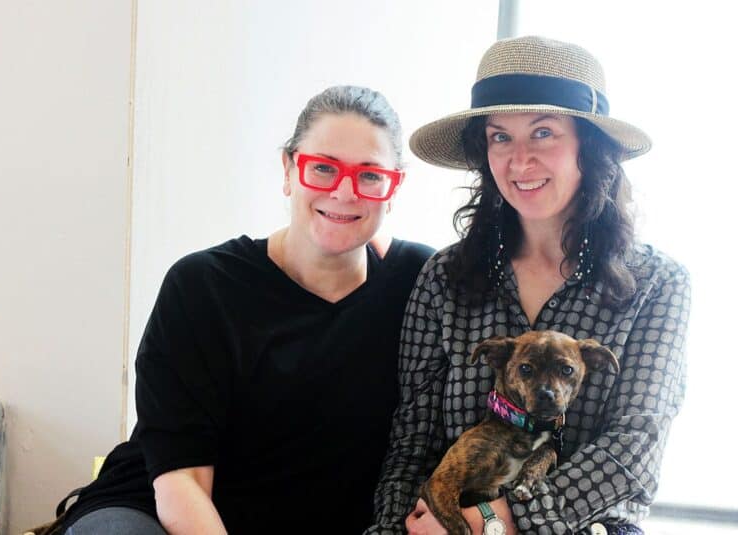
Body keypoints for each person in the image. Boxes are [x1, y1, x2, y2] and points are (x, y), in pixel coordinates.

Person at [51, 86, 434, 535]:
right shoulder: (203, 286)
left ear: (394, 187)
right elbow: (183, 484)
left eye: (369, 176)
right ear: (289, 169)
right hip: (164, 511)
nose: (344, 192)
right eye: (323, 168)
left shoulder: (422, 281)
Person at [365, 36, 690, 535]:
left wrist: (496, 521)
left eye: (543, 133)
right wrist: (392, 530)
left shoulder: (656, 284)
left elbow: (635, 448)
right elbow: (411, 442)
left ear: (590, 145)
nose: (519, 162)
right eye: (500, 137)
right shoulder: (444, 278)